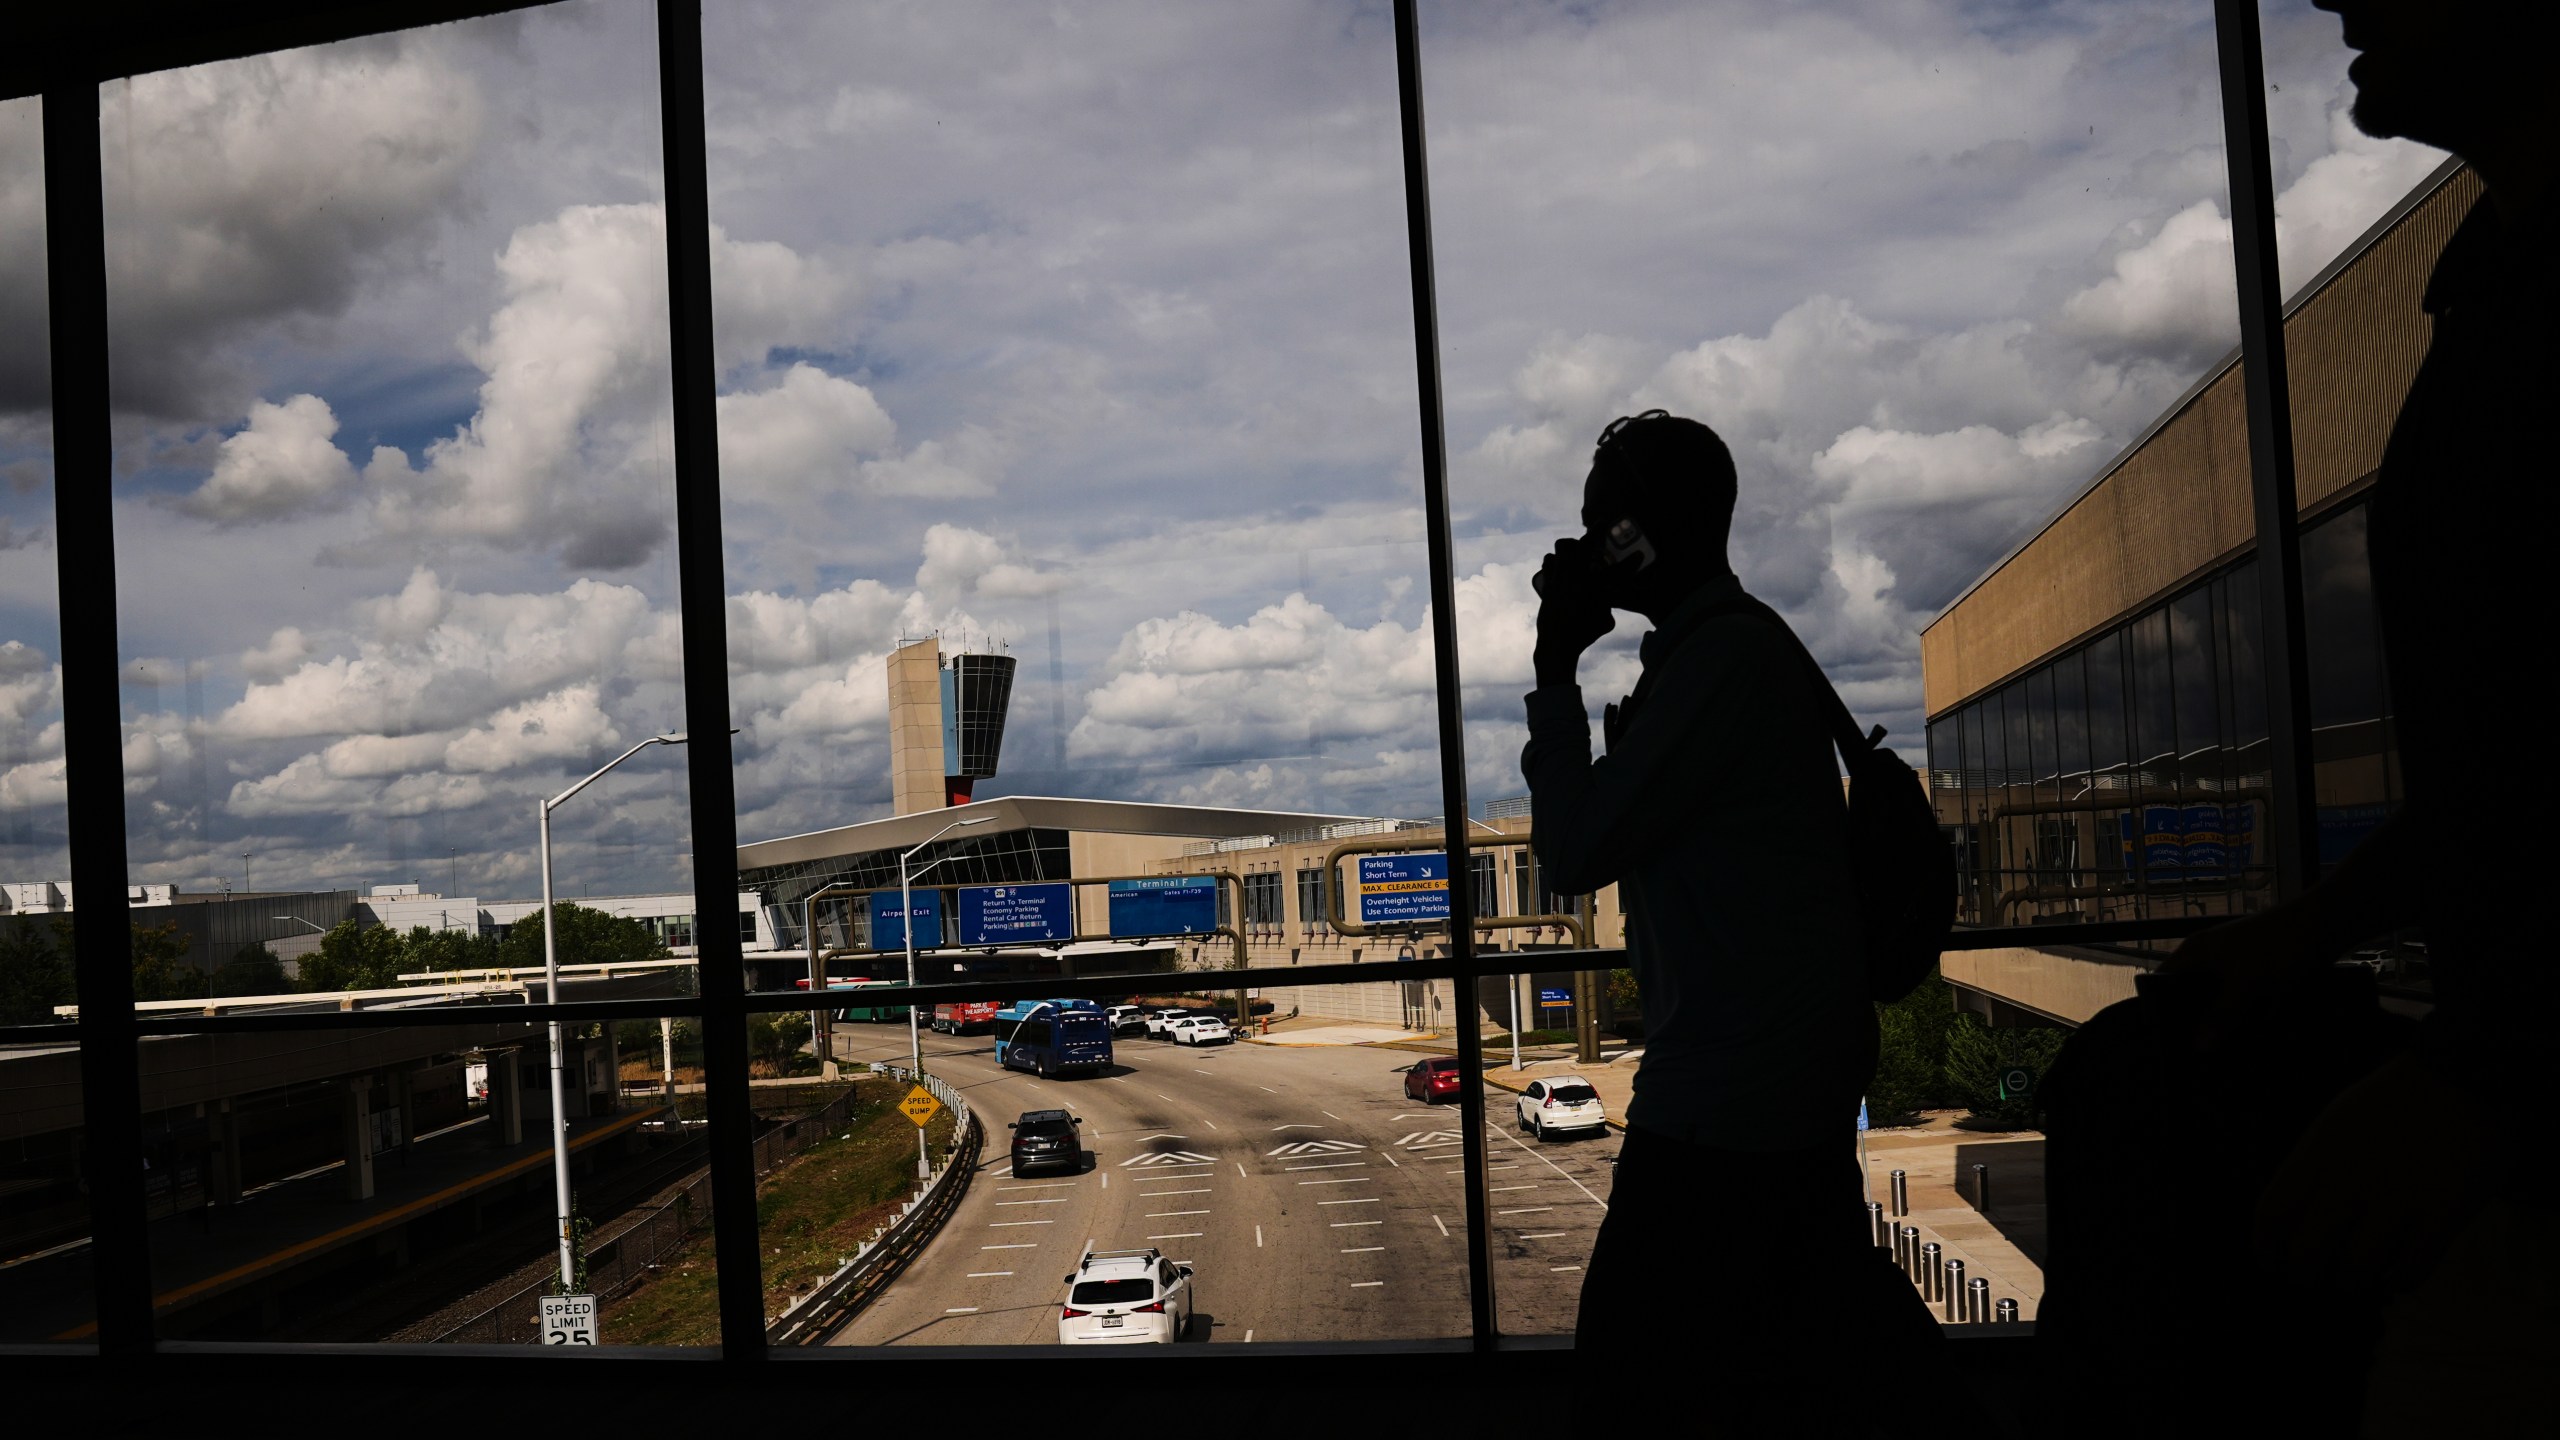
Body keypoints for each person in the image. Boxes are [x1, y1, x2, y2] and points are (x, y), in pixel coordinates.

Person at [2039, 3, 2556, 1433]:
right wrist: (2317, 925)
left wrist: (2497, 1074)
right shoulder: (2486, 282)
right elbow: (2501, 764)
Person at [1523, 411, 1936, 1410]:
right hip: (1764, 1082)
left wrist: (1552, 668)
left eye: (1596, 526)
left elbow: (1576, 851)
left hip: (1730, 1099)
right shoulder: (1721, 656)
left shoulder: (1717, 668)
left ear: (1637, 535)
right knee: (1810, 1341)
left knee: (1635, 1367)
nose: (1581, 549)